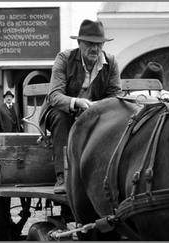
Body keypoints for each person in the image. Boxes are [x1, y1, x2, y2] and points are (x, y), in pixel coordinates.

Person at [39, 19, 122, 192]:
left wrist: (98, 106)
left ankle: (104, 175)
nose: (95, 49)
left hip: (95, 112)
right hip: (62, 111)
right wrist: (76, 102)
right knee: (61, 118)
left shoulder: (111, 62)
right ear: (79, 43)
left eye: (99, 44)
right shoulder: (64, 58)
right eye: (90, 44)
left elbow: (116, 96)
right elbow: (54, 96)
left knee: (115, 121)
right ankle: (63, 177)